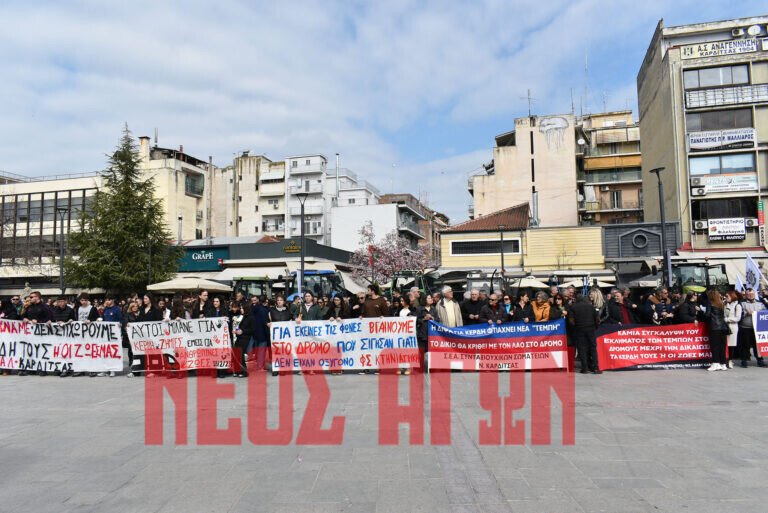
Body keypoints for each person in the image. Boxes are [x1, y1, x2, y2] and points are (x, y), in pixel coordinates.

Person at [21, 291, 53, 376]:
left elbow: (50, 319)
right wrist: (24, 318)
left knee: (42, 351)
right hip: (31, 333)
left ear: (37, 297)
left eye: (31, 297)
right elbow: (23, 315)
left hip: (42, 334)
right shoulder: (29, 307)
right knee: (31, 350)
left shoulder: (45, 307)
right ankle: (32, 368)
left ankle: (43, 369)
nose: (30, 299)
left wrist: (38, 321)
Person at [569, 295, 601, 374]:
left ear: (576, 300)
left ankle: (585, 368)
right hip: (591, 329)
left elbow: (571, 320)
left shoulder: (573, 307)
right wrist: (595, 327)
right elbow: (597, 319)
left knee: (582, 349)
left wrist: (576, 327)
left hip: (580, 330)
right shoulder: (591, 307)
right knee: (593, 348)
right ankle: (596, 368)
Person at [737, 288, 767, 368]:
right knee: (745, 344)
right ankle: (744, 360)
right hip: (745, 327)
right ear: (746, 295)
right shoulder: (742, 303)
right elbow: (739, 314)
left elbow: (765, 312)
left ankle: (760, 360)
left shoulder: (760, 303)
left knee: (757, 345)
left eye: (752, 294)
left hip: (757, 328)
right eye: (749, 294)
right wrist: (747, 313)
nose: (751, 296)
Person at [702, 290, 728, 372]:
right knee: (722, 346)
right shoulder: (721, 303)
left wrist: (702, 310)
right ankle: (723, 363)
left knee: (714, 346)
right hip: (723, 327)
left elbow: (707, 315)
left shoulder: (710, 303)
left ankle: (715, 363)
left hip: (714, 327)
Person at [416, 294, 440, 372]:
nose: (431, 299)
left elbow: (437, 319)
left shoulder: (433, 308)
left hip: (432, 333)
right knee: (422, 351)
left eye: (431, 298)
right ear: (424, 300)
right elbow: (416, 320)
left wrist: (432, 318)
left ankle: (431, 367)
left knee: (431, 352)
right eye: (429, 298)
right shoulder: (419, 309)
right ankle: (421, 368)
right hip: (422, 333)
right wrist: (424, 319)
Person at [231, 302, 255, 378]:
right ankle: (237, 370)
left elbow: (253, 330)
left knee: (240, 353)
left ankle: (244, 371)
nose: (240, 309)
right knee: (236, 352)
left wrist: (243, 331)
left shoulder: (251, 317)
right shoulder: (243, 316)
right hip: (239, 337)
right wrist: (236, 331)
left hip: (245, 337)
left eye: (242, 308)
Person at [250, 295, 271, 371]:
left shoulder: (252, 309)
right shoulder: (264, 310)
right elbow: (265, 322)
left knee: (258, 350)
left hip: (255, 332)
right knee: (262, 351)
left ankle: (259, 365)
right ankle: (260, 366)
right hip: (263, 332)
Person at [724, 291, 741, 369]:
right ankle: (725, 360)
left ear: (732, 297)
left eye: (727, 296)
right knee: (725, 344)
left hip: (733, 327)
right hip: (725, 327)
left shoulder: (737, 306)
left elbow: (737, 318)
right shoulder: (725, 304)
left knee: (731, 345)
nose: (726, 298)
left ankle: (730, 360)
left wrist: (727, 319)